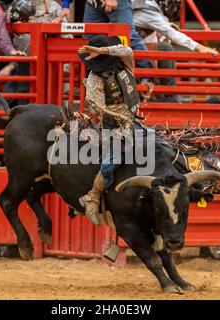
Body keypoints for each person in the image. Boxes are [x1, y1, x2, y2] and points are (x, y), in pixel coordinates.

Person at [77, 35, 142, 225]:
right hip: (114, 124)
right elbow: (97, 105)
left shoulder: (124, 61)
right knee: (116, 155)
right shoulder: (94, 78)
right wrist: (119, 117)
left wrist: (101, 51)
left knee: (157, 146)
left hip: (135, 118)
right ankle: (93, 195)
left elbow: (127, 50)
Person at [57, 0, 153, 70]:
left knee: (128, 35)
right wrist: (65, 5)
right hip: (93, 3)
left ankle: (147, 74)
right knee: (92, 39)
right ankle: (97, 74)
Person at [132, 0, 219, 55]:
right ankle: (154, 81)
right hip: (126, 46)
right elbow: (171, 33)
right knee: (165, 48)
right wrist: (199, 47)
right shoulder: (151, 12)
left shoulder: (149, 7)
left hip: (128, 42)